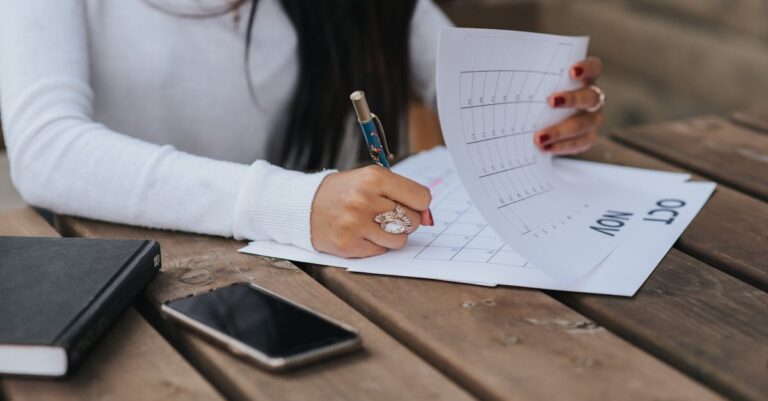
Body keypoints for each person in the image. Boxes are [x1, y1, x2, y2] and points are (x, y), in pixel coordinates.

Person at [0, 0, 604, 258]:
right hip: (132, 288)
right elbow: (47, 150)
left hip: (341, 282)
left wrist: (545, 113)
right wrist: (296, 202)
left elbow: (465, 89)